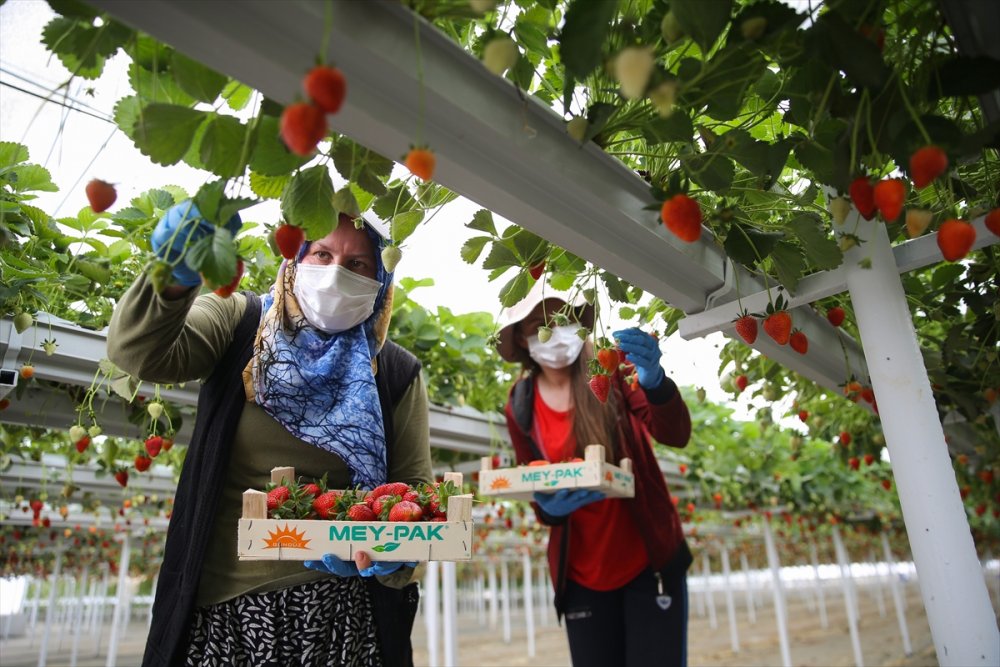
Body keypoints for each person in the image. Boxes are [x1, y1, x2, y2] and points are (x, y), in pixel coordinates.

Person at [107, 201, 432, 667]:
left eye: (358, 263)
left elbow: (414, 492)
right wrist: (172, 275)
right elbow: (139, 354)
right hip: (226, 613)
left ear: (381, 279)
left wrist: (398, 554)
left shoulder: (395, 371)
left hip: (345, 617)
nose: (336, 273)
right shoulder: (239, 324)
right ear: (294, 259)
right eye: (321, 254)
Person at [496, 279, 694, 667]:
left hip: (647, 561)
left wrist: (655, 383)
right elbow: (536, 489)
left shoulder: (612, 369)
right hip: (582, 573)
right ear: (520, 338)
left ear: (581, 323)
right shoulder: (520, 403)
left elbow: (675, 433)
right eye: (539, 325)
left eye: (563, 318)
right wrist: (551, 506)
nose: (553, 332)